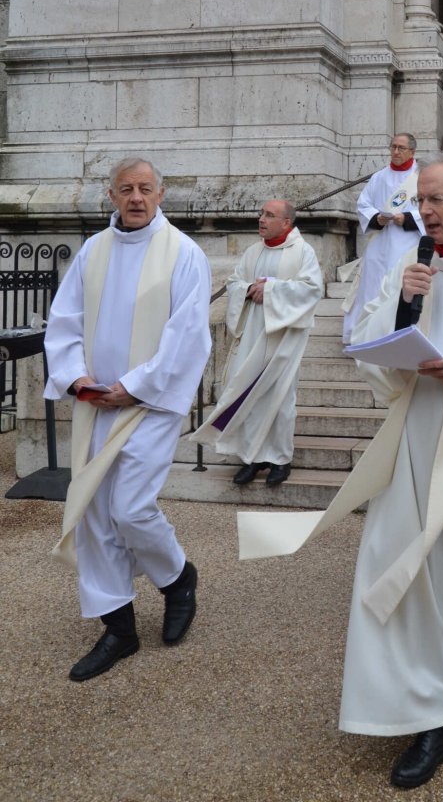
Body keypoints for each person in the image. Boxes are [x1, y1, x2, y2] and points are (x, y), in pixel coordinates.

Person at [235, 155, 443, 789]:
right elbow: (369, 345)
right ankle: (436, 721)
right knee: (404, 574)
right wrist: (404, 308)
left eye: (438, 199)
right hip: (416, 434)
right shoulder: (415, 265)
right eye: (422, 201)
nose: (427, 211)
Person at [44, 157, 212, 682]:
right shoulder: (94, 250)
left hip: (148, 405)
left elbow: (187, 336)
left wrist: (133, 387)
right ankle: (119, 629)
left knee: (130, 508)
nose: (136, 198)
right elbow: (65, 319)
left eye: (145, 189)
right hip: (96, 402)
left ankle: (178, 577)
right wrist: (74, 378)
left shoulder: (184, 254)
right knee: (95, 510)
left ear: (161, 193)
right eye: (125, 190)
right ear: (111, 196)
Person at [192, 199, 323, 487]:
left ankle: (280, 459)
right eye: (261, 214)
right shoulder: (253, 251)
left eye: (269, 215)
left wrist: (272, 289)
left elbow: (313, 289)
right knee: (247, 394)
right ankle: (252, 457)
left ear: (286, 223)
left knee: (280, 397)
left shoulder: (302, 252)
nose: (261, 219)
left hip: (284, 337)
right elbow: (234, 282)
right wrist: (250, 288)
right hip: (253, 334)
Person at [341, 134, 423, 343]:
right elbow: (363, 204)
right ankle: (363, 335)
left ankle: (395, 334)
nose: (395, 152)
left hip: (408, 241)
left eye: (401, 148)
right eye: (393, 147)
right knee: (371, 287)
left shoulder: (421, 177)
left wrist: (406, 217)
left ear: (412, 152)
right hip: (380, 241)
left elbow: (430, 208)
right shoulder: (379, 177)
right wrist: (376, 218)